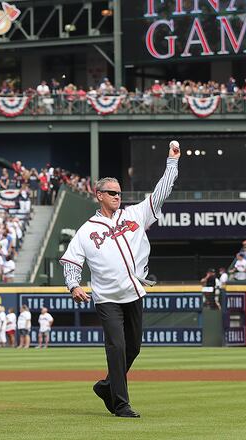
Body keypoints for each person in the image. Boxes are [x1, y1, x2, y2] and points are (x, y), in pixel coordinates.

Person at [61, 141, 180, 418]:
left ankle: (106, 386)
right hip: (107, 298)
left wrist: (171, 164)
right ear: (98, 195)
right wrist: (74, 285)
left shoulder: (135, 214)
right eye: (111, 193)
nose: (117, 196)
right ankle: (120, 403)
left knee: (133, 347)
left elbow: (161, 193)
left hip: (134, 292)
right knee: (116, 347)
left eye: (119, 192)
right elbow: (71, 259)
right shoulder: (86, 230)